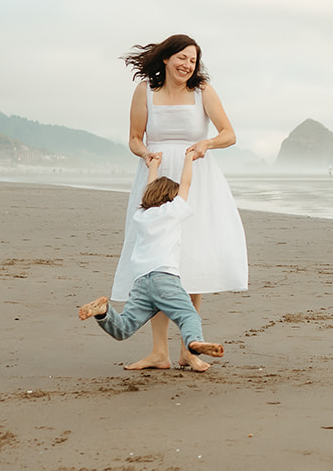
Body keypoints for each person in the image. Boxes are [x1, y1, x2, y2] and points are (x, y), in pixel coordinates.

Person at [113, 34, 248, 372]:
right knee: (155, 259)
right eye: (182, 58)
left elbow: (229, 133)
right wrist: (145, 153)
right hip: (156, 178)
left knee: (192, 255)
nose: (188, 65)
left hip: (196, 176)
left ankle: (190, 348)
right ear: (166, 58)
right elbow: (134, 137)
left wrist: (207, 144)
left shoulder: (202, 91)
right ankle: (160, 352)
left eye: (193, 60)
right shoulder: (145, 91)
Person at [79, 149, 225, 364]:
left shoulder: (141, 216)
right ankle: (193, 342)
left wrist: (154, 166)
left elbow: (150, 187)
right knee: (188, 315)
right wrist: (188, 160)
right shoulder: (173, 211)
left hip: (141, 282)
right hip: (164, 278)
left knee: (124, 328)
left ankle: (104, 312)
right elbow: (186, 184)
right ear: (171, 197)